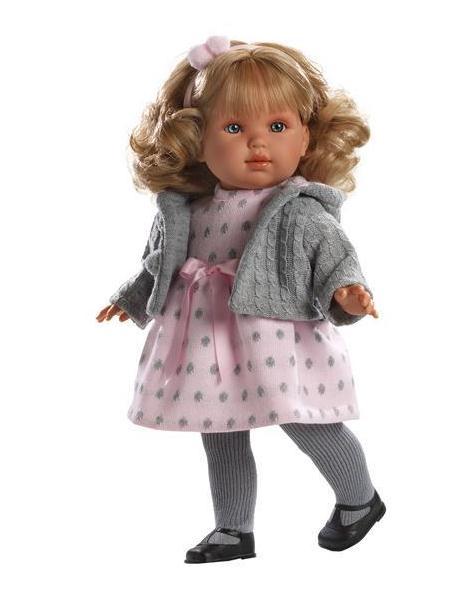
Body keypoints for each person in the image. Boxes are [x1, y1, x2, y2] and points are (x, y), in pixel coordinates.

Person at [96, 35, 386, 564]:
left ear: (306, 137)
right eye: (234, 129)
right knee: (219, 429)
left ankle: (359, 498)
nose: (257, 144)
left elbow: (334, 256)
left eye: (277, 127)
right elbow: (160, 261)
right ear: (197, 140)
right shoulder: (187, 209)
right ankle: (233, 528)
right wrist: (132, 296)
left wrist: (347, 292)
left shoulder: (298, 208)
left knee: (307, 419)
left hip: (278, 337)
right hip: (206, 336)